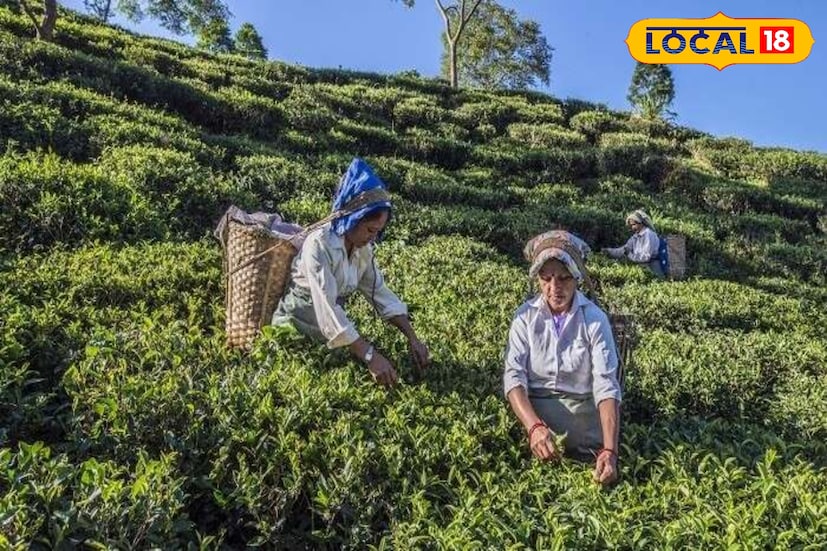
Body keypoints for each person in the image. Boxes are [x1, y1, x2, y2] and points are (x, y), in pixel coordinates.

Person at [272, 158, 431, 386]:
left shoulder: (362, 250)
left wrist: (412, 337)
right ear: (352, 220)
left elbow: (379, 293)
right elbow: (328, 308)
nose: (373, 238)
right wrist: (370, 356)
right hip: (292, 335)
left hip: (332, 341)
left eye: (378, 232)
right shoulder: (319, 245)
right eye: (370, 230)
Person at [503, 230, 621, 486]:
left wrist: (610, 451)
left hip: (585, 436)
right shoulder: (524, 318)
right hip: (532, 428)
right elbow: (514, 378)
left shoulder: (594, 319)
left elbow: (606, 385)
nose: (554, 288)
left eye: (564, 279)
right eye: (546, 279)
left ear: (577, 278)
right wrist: (534, 428)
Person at [601, 209, 665, 278]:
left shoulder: (649, 235)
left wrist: (630, 255)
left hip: (652, 268)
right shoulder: (635, 237)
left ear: (640, 223)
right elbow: (624, 249)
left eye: (634, 224)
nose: (632, 227)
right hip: (642, 268)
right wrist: (609, 251)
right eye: (631, 225)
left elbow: (646, 257)